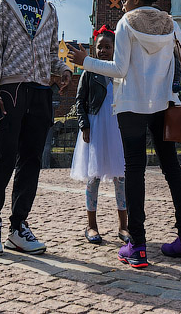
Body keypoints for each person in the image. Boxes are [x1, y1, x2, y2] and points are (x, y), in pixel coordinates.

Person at [67, 0, 181, 270]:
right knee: (172, 169)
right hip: (165, 104)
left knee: (135, 171)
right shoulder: (169, 22)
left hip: (133, 106)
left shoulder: (126, 22)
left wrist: (85, 61)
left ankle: (137, 246)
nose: (123, 3)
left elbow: (119, 68)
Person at [0, 0, 73, 257]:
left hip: (41, 92)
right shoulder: (7, 4)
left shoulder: (50, 10)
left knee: (32, 160)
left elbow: (50, 51)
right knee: (4, 157)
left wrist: (62, 69)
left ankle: (18, 227)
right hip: (11, 90)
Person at [71, 26, 128, 244]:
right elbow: (80, 101)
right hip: (95, 125)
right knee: (93, 177)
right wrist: (84, 124)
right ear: (94, 50)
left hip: (117, 128)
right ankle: (91, 225)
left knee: (120, 177)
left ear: (115, 49)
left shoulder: (120, 70)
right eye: (99, 47)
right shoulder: (89, 72)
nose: (103, 50)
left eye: (107, 46)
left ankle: (123, 225)